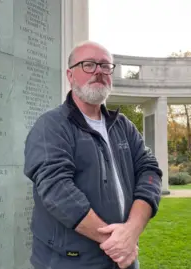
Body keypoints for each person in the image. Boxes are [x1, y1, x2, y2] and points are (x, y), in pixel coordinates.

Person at [23, 40, 163, 269]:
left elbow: (150, 172)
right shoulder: (51, 126)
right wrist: (115, 242)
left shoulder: (123, 126)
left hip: (123, 259)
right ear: (70, 75)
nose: (98, 71)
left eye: (105, 66)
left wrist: (131, 231)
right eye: (88, 65)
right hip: (69, 262)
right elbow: (57, 190)